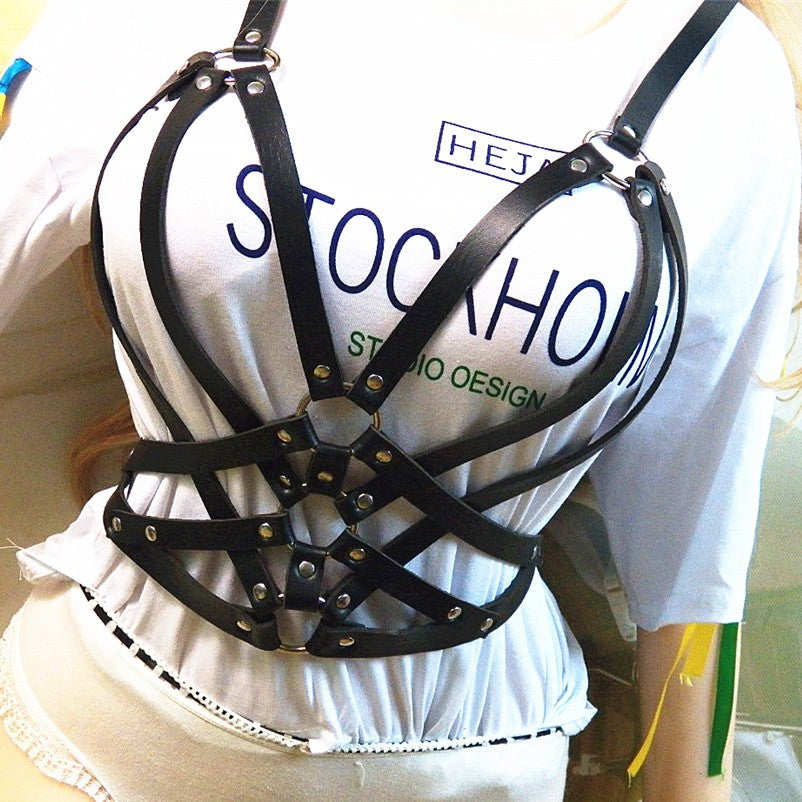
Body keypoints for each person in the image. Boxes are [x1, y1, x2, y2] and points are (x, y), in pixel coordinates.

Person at [0, 1, 799, 800]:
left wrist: (694, 789)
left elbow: (693, 543)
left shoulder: (725, 80)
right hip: (99, 731)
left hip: (471, 762)